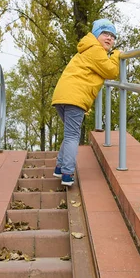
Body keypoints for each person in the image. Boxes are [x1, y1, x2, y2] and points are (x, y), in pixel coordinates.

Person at [51, 18, 120, 186]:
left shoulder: (87, 48)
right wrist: (117, 56)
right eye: (105, 33)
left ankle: (59, 167)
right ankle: (67, 173)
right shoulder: (96, 51)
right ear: (96, 35)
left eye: (112, 36)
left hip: (63, 96)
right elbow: (111, 71)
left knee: (69, 134)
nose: (109, 38)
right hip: (75, 97)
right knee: (72, 136)